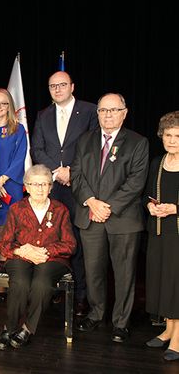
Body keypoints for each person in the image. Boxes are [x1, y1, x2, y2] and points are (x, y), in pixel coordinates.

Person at [71, 93, 149, 343]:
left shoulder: (138, 142)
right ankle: (96, 314)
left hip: (123, 219)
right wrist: (91, 202)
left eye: (113, 110)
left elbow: (136, 182)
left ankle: (121, 322)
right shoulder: (84, 140)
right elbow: (77, 174)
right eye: (103, 110)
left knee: (124, 272)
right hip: (90, 215)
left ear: (124, 113)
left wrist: (108, 207)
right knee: (93, 271)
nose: (107, 115)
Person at [31, 71, 98, 316]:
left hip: (79, 186)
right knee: (52, 239)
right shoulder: (43, 115)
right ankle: (55, 290)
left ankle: (81, 294)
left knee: (77, 241)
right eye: (52, 86)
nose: (57, 89)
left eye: (62, 85)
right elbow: (37, 148)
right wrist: (57, 171)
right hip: (52, 188)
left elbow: (93, 146)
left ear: (72, 86)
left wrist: (72, 171)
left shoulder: (90, 111)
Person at [0, 164, 76, 349]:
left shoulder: (60, 210)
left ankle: (28, 328)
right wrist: (21, 250)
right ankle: (10, 326)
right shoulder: (17, 209)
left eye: (44, 184)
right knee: (21, 283)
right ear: (27, 186)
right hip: (20, 256)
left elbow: (70, 244)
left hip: (52, 260)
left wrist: (45, 252)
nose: (40, 188)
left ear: (51, 187)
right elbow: (3, 244)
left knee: (42, 283)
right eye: (35, 184)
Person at [0, 88, 27, 300]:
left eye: (3, 103)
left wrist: (3, 179)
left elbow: (20, 158)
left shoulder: (17, 129)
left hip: (10, 187)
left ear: (10, 106)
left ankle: (5, 284)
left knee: (8, 237)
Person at [143, 111, 179, 361]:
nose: (172, 140)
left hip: (178, 231)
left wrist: (176, 209)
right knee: (163, 280)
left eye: (178, 136)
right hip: (158, 231)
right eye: (168, 135)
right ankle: (168, 329)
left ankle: (178, 338)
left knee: (176, 283)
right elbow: (147, 193)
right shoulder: (158, 162)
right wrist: (151, 206)